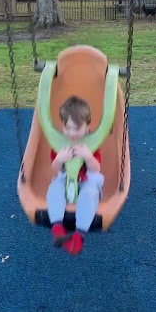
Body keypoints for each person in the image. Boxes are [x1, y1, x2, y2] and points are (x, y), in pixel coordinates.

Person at [47, 96, 104, 256]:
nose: (71, 133)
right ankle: (58, 228)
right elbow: (55, 168)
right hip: (66, 179)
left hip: (87, 179)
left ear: (87, 126)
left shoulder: (91, 143)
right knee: (54, 188)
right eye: (67, 127)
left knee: (89, 193)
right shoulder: (59, 143)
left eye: (77, 128)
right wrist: (59, 159)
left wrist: (88, 156)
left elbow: (95, 169)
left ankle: (79, 236)